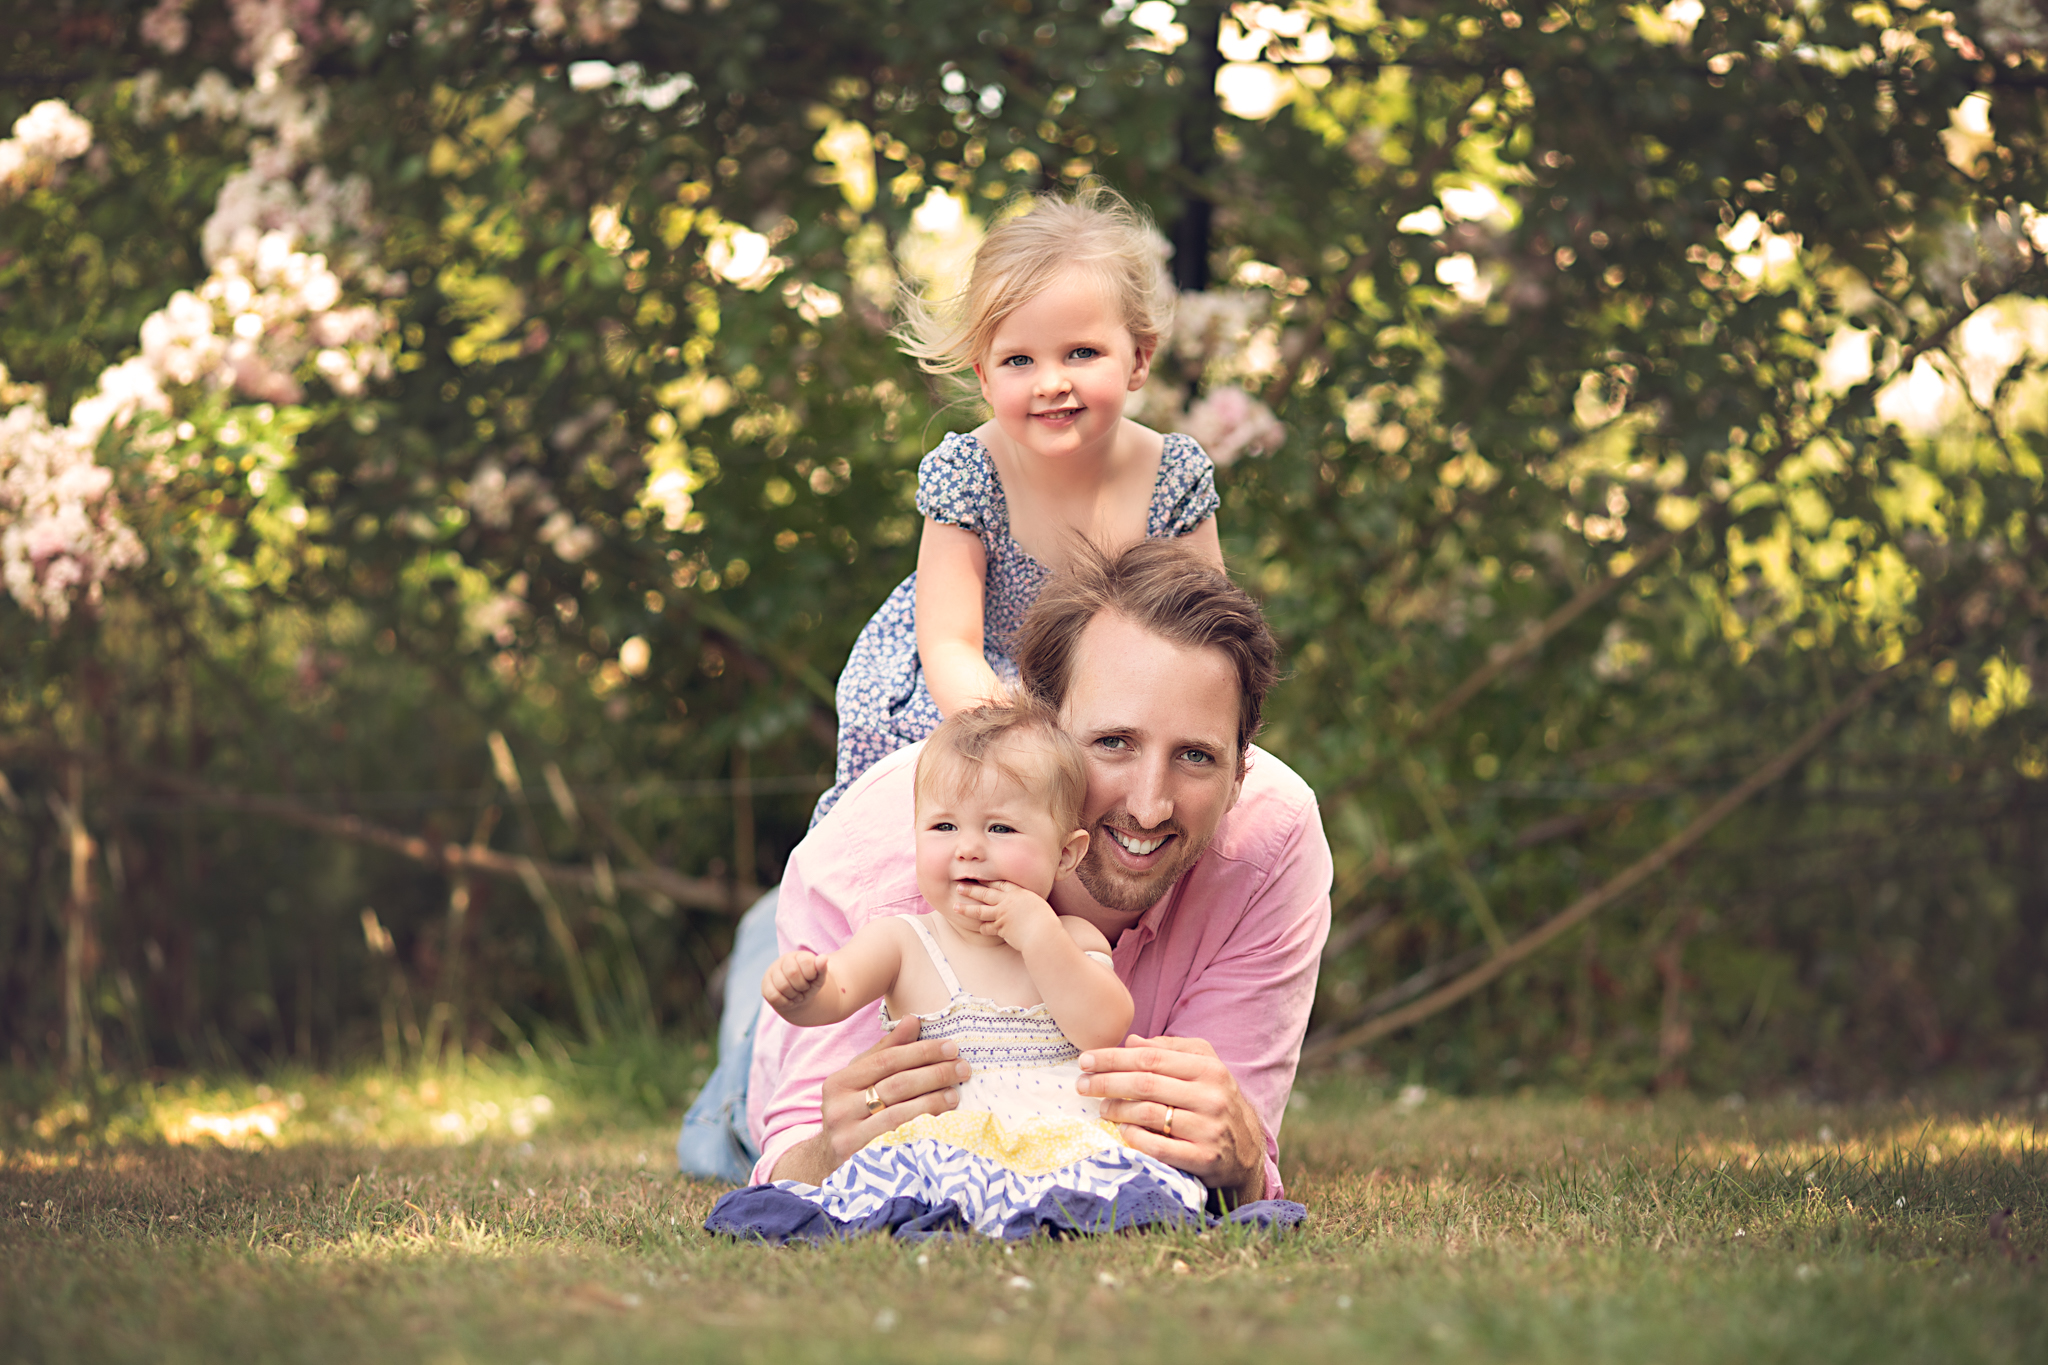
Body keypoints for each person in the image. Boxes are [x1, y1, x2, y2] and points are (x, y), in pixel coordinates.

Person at [680, 539, 1331, 1219]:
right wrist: (826, 1149)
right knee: (731, 1113)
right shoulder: (889, 853)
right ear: (1040, 726)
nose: (1148, 804)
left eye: (1196, 756)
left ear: (1239, 774)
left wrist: (1242, 1153)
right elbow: (794, 1153)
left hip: (1044, 1131)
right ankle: (752, 966)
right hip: (835, 980)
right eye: (1113, 742)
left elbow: (1231, 1150)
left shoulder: (1271, 844)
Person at [706, 702, 1229, 1239]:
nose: (969, 849)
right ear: (914, 836)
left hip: (1055, 1145)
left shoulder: (1070, 939)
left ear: (1067, 854)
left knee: (1124, 1198)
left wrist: (1036, 932)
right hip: (940, 1143)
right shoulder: (903, 941)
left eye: (1001, 828)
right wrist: (802, 990)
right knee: (899, 1196)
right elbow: (837, 991)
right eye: (944, 826)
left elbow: (1103, 1026)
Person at [814, 184, 1223, 827]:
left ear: (1138, 359)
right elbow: (950, 645)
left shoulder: (1172, 476)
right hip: (976, 689)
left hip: (1119, 690)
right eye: (1019, 360)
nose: (1051, 382)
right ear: (982, 375)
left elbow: (1204, 632)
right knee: (952, 790)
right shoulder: (969, 475)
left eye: (1081, 353)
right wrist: (1035, 742)